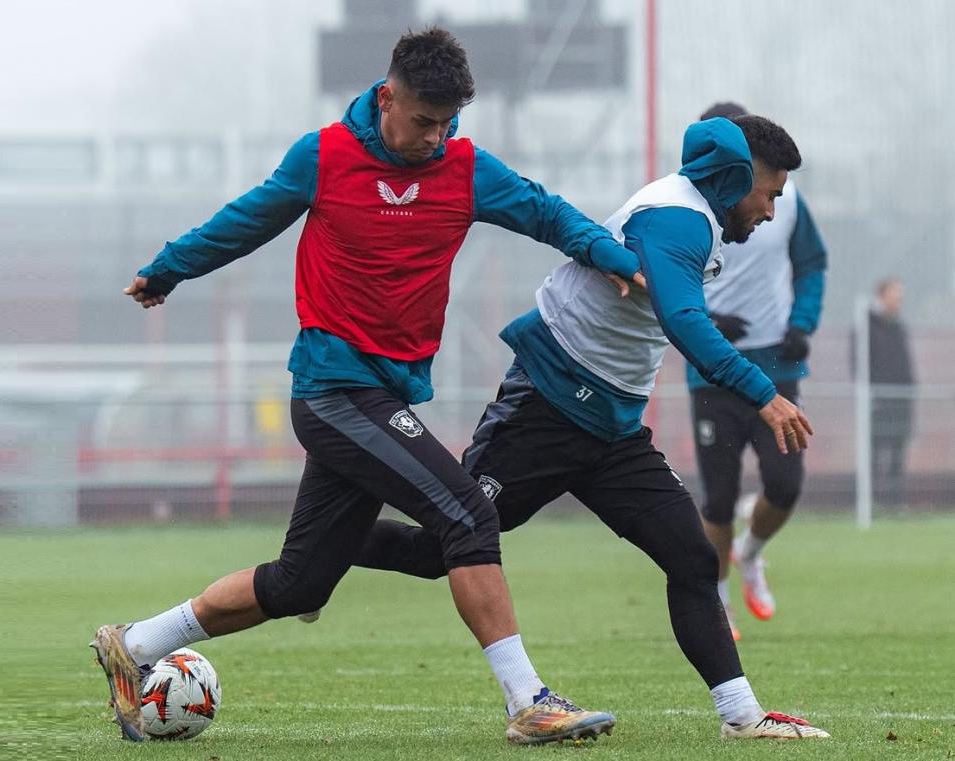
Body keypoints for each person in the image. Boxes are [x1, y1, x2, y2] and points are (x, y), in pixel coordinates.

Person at [91, 27, 626, 745]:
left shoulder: (466, 169)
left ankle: (135, 643)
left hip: (382, 398)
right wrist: (168, 268)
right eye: (422, 121)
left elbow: (547, 212)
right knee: (467, 516)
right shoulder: (323, 157)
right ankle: (528, 700)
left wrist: (615, 257)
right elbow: (245, 221)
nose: (434, 137)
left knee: (300, 583)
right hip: (333, 393)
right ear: (386, 97)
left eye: (446, 123)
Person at [356, 115, 830, 739]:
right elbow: (685, 321)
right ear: (738, 177)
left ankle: (742, 717)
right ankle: (322, 555)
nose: (770, 212)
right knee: (436, 551)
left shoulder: (698, 218)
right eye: (769, 193)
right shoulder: (676, 217)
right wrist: (763, 394)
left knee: (691, 558)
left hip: (612, 429)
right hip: (546, 409)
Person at [685, 102, 827, 640]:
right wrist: (703, 315)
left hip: (778, 362)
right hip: (712, 369)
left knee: (785, 485)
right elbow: (662, 271)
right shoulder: (688, 205)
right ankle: (718, 596)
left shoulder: (787, 203)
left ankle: (752, 552)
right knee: (718, 498)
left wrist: (802, 322)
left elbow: (813, 263)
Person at [858, 277, 916, 507]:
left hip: (901, 402)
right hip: (876, 401)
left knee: (897, 452)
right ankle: (868, 503)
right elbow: (860, 364)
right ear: (882, 295)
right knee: (873, 452)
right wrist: (870, 392)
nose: (899, 300)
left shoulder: (900, 327)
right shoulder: (866, 326)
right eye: (895, 294)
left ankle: (894, 503)